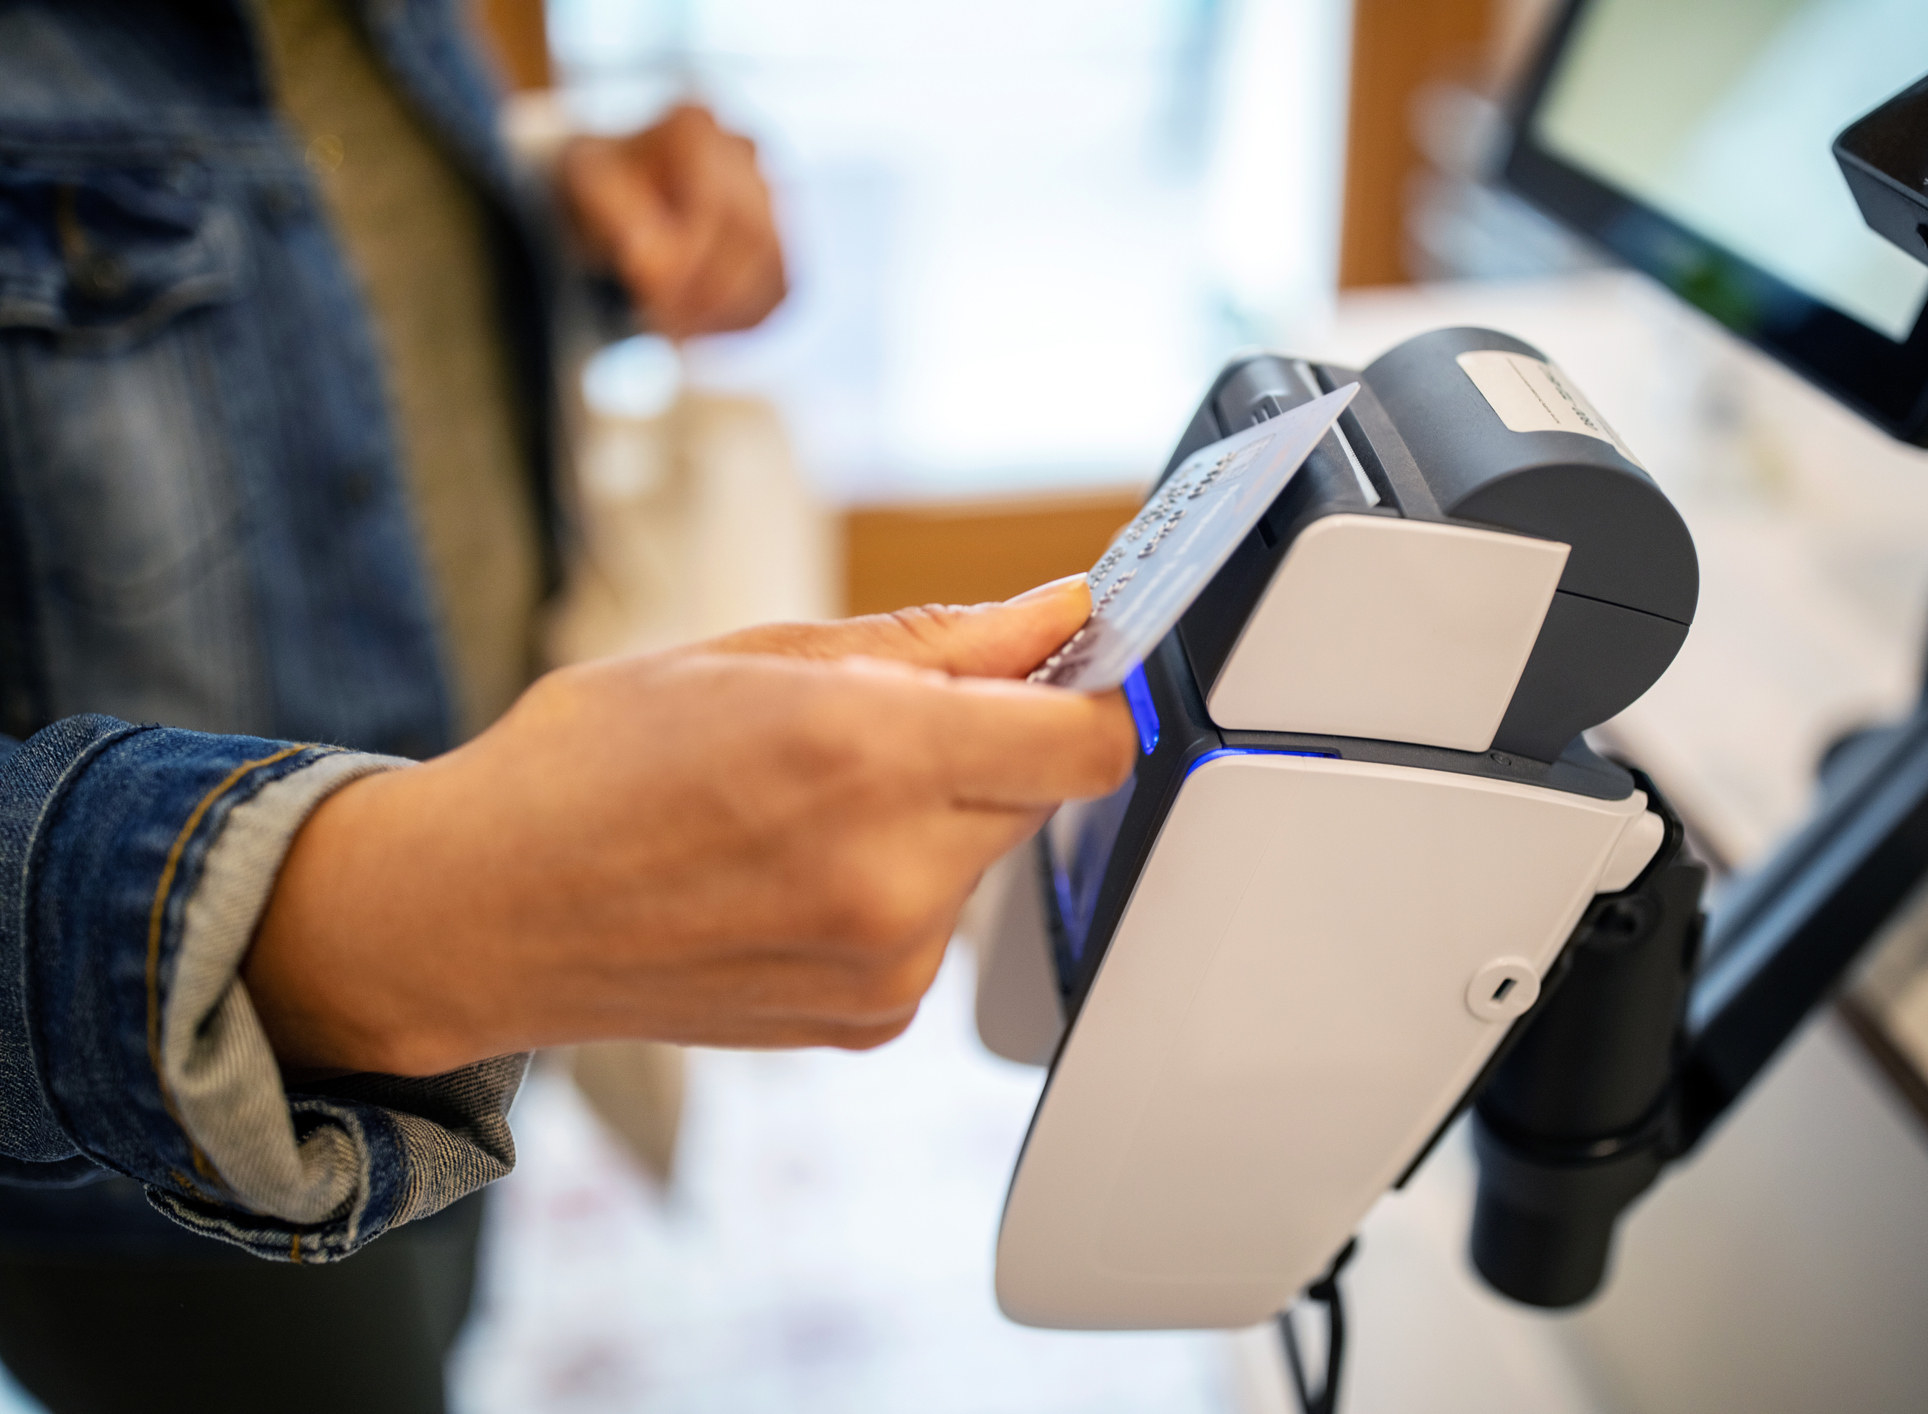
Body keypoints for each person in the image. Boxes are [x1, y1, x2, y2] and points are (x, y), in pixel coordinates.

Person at [0, 2, 1132, 1409]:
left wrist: (555, 212)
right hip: (148, 1145)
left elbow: (274, 256)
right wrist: (365, 920)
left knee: (449, 1307)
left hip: (453, 999)